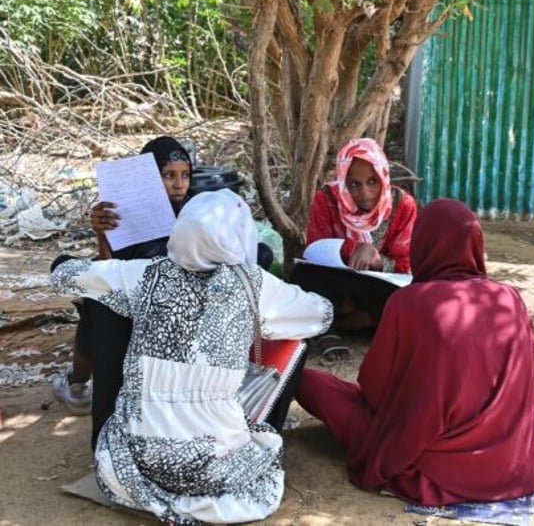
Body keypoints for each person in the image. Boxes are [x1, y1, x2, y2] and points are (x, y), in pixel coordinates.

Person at [50, 189, 333, 524]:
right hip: (216, 466)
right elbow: (322, 315)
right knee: (294, 350)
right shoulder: (254, 285)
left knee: (106, 304)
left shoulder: (143, 274)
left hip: (139, 463)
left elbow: (63, 275)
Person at [295, 198, 534, 505]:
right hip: (513, 465)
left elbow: (374, 391)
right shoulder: (509, 299)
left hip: (433, 467)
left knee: (308, 382)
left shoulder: (408, 302)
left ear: (423, 245)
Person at [52, 136, 193, 432]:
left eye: (185, 175)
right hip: (129, 291)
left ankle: (77, 385)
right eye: (168, 175)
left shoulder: (194, 213)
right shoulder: (124, 212)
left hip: (169, 305)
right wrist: (102, 234)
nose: (179, 184)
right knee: (90, 291)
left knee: (93, 301)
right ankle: (79, 386)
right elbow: (111, 268)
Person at [289, 138, 417, 342]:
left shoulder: (403, 205)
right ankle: (346, 321)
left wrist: (377, 260)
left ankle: (334, 325)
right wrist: (344, 256)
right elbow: (315, 253)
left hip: (376, 286)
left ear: (383, 176)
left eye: (372, 182)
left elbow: (405, 267)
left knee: (405, 298)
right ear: (343, 181)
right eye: (354, 184)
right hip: (336, 282)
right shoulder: (327, 200)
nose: (364, 193)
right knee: (302, 275)